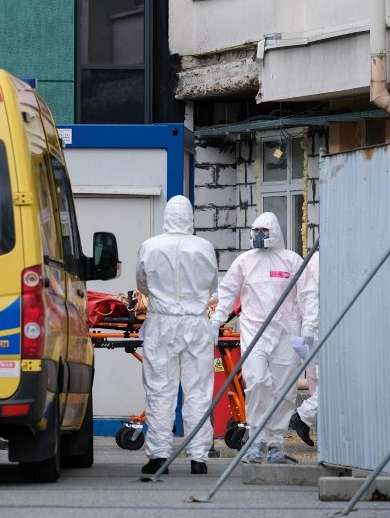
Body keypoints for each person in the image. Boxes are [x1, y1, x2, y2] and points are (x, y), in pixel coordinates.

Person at [209, 212, 318, 464]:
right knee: (257, 383)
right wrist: (217, 320)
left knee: (283, 389)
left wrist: (310, 326)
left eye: (264, 231)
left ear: (274, 232)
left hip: (286, 333)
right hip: (254, 332)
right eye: (255, 230)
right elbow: (227, 292)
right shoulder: (245, 262)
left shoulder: (292, 261)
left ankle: (275, 442)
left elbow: (309, 294)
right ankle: (257, 439)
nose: (259, 236)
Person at [136, 195, 219, 475]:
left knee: (160, 389)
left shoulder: (150, 246)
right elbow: (212, 284)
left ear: (166, 215)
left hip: (162, 322)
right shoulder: (205, 247)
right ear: (191, 218)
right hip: (196, 322)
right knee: (198, 390)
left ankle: (159, 456)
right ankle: (199, 457)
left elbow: (142, 283)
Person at [289, 250, 319, 447]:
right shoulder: (322, 261)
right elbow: (310, 297)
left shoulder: (312, 259)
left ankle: (326, 441)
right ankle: (303, 416)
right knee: (331, 386)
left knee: (316, 384)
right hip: (320, 329)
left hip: (311, 331)